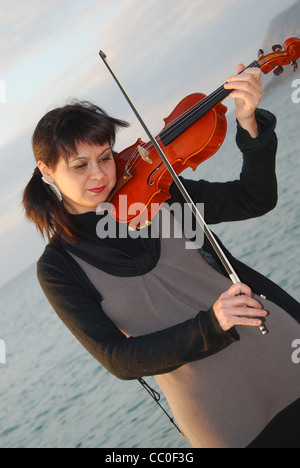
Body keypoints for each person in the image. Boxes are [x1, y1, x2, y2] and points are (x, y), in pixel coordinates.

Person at [23, 65, 300, 448]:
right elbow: (119, 358)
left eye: (105, 156)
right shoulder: (58, 267)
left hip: (286, 348)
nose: (100, 174)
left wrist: (249, 124)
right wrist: (211, 323)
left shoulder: (158, 194)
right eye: (79, 165)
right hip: (224, 417)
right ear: (47, 171)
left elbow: (253, 198)